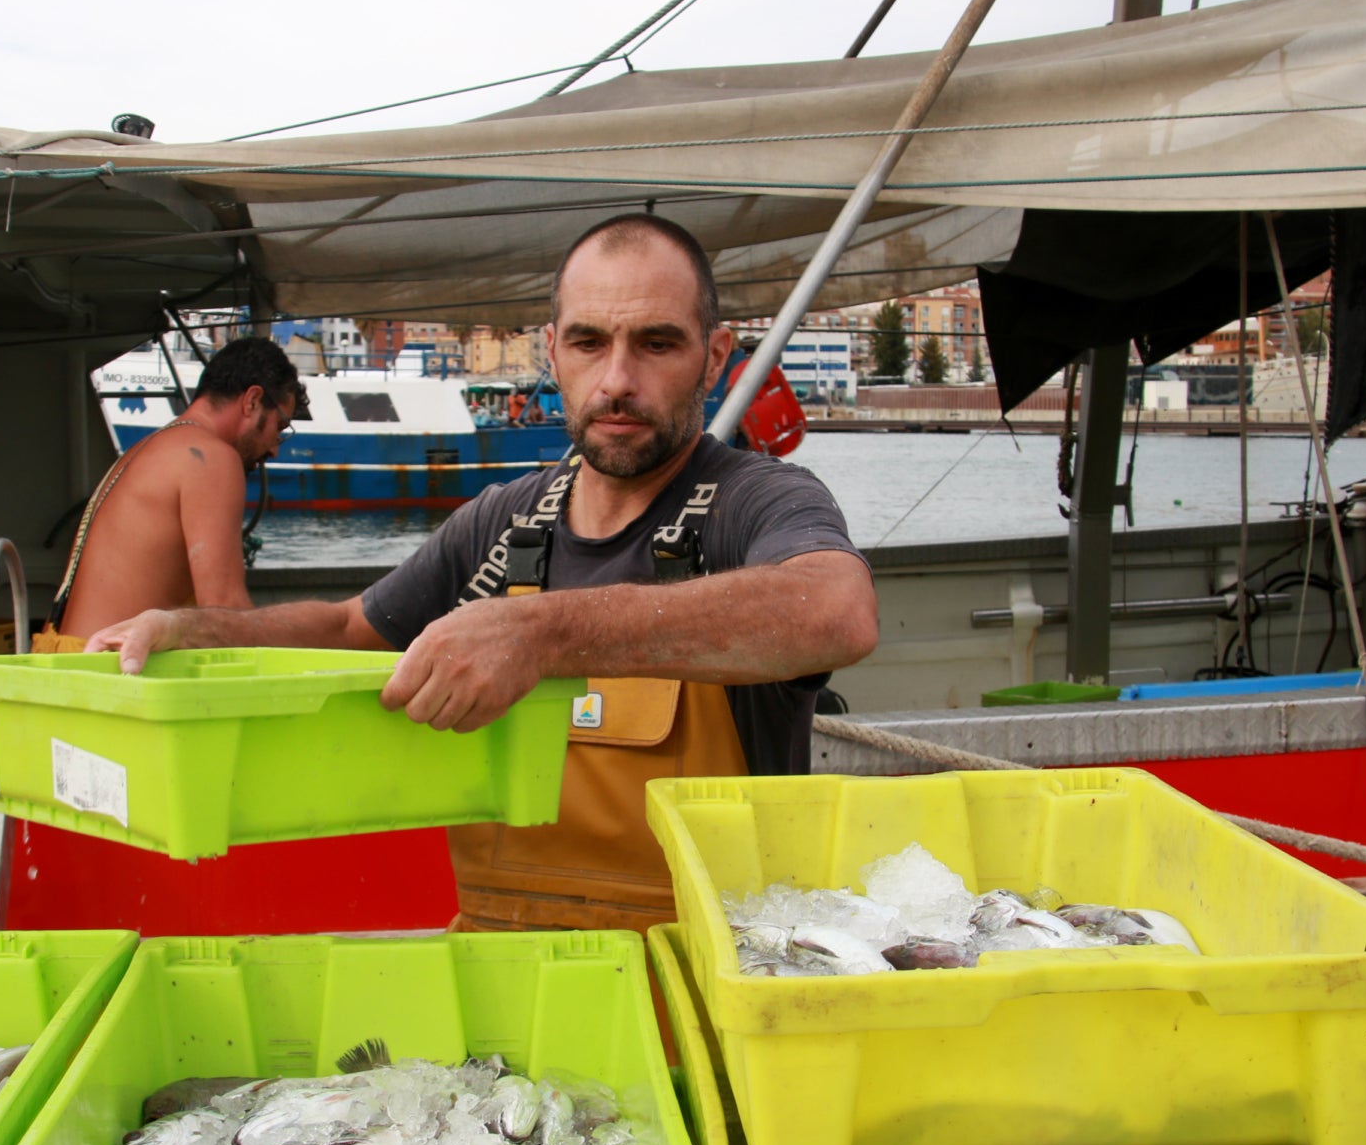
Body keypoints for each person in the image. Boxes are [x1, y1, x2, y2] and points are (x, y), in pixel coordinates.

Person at [87, 214, 877, 929]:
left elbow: (837, 608)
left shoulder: (751, 502)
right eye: (590, 341)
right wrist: (191, 630)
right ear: (552, 348)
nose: (617, 381)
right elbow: (344, 629)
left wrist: (542, 634)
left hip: (698, 1008)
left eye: (658, 343)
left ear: (715, 356)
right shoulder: (501, 524)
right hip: (504, 1010)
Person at [45, 336, 307, 643]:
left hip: (71, 663)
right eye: (280, 427)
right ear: (252, 400)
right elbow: (226, 611)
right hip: (105, 674)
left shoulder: (146, 450)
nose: (274, 450)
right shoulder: (211, 457)